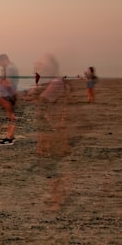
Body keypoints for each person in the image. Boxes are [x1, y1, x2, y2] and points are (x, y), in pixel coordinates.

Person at [30, 54, 73, 210]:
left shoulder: (55, 83)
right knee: (51, 164)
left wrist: (35, 92)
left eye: (42, 65)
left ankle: (59, 198)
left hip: (53, 129)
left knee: (52, 164)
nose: (39, 67)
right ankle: (57, 195)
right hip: (52, 127)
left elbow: (42, 101)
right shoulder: (55, 82)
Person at [0, 54, 19, 145]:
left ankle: (9, 138)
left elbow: (9, 83)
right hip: (9, 93)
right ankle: (10, 136)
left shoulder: (10, 68)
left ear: (4, 60)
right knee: (10, 115)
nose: (0, 65)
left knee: (11, 116)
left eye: (0, 62)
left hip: (9, 94)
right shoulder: (10, 68)